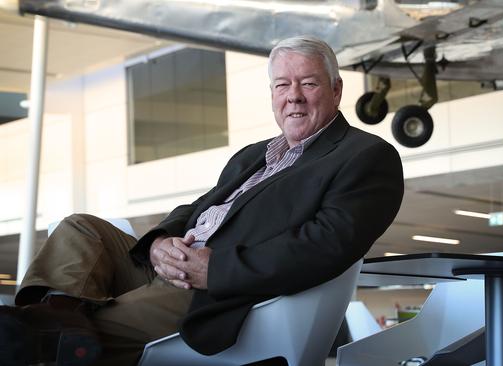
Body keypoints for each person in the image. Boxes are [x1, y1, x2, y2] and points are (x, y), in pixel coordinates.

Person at [0, 36, 404, 366]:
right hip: (171, 266)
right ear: (272, 94)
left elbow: (324, 246)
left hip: (218, 293)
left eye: (309, 83)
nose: (293, 96)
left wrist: (216, 270)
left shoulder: (365, 156)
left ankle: (40, 333)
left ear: (336, 89)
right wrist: (159, 243)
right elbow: (196, 211)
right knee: (80, 227)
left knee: (78, 332)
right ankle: (53, 321)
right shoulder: (254, 154)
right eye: (283, 85)